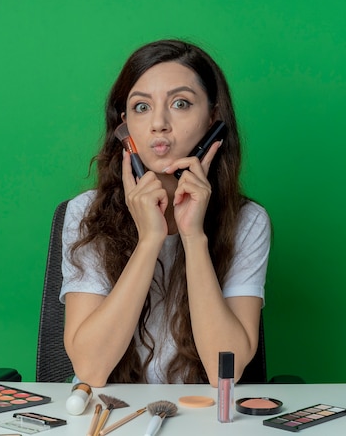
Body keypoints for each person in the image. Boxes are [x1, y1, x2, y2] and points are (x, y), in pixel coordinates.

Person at [60, 39, 270, 387]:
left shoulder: (248, 221)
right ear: (124, 126)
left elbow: (224, 372)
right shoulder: (85, 211)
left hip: (203, 414)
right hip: (112, 412)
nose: (159, 123)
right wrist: (150, 240)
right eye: (142, 107)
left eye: (180, 103)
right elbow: (91, 369)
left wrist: (193, 236)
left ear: (213, 117)